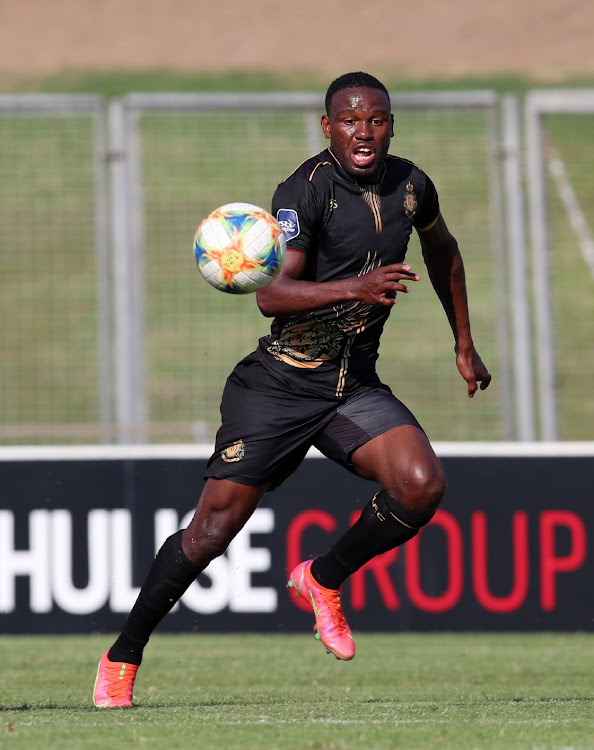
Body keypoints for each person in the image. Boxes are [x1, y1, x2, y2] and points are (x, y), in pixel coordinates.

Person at [93, 71, 491, 707]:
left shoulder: (413, 186)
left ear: (392, 125)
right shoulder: (304, 190)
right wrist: (353, 288)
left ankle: (322, 579)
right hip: (280, 384)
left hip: (351, 384)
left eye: (377, 119)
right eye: (350, 121)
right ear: (327, 126)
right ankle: (122, 655)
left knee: (421, 485)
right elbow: (271, 296)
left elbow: (443, 254)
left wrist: (464, 343)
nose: (364, 132)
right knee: (211, 532)